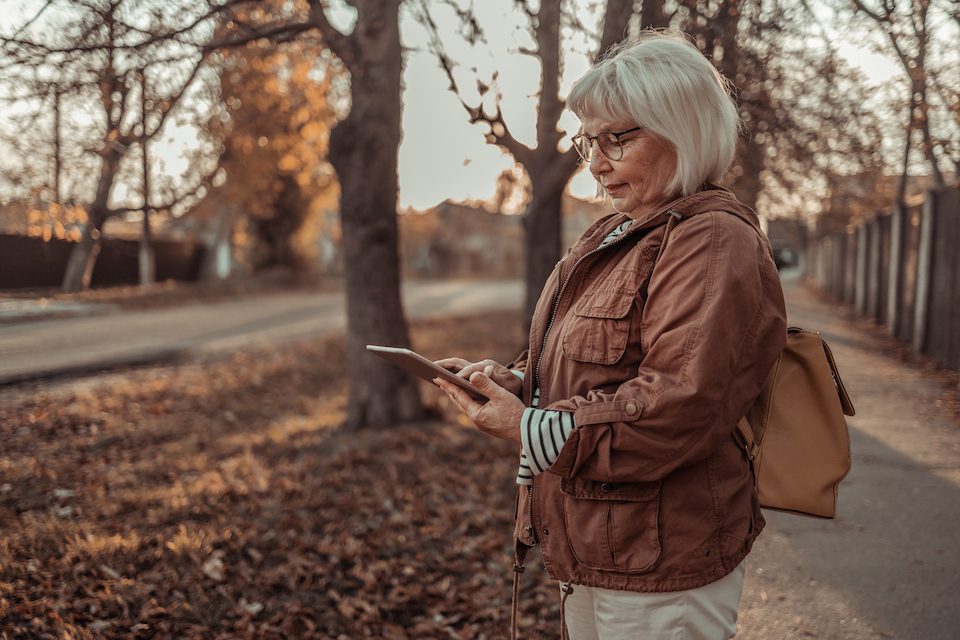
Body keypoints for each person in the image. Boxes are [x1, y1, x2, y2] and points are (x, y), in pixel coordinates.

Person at [434, 31, 787, 640]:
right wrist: (515, 383)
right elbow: (594, 366)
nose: (595, 164)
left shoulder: (709, 240)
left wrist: (528, 427)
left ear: (681, 128)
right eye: (586, 141)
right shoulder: (614, 235)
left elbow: (679, 405)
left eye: (616, 139)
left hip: (662, 559)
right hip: (594, 543)